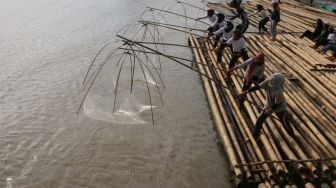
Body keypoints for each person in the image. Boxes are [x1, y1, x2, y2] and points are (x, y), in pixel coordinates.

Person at [239, 73, 295, 139]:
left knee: (285, 123)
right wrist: (246, 91)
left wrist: (270, 110)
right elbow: (258, 86)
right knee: (260, 120)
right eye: (271, 77)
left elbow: (277, 103)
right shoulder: (268, 81)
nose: (271, 79)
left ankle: (292, 135)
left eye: (273, 79)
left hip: (279, 108)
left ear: (277, 81)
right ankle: (255, 135)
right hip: (268, 105)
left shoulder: (279, 91)